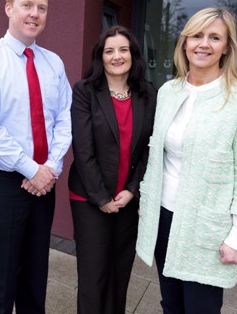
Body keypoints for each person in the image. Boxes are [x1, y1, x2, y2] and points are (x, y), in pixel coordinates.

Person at [136, 7, 237, 314]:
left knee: (201, 308)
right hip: (165, 217)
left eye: (214, 37)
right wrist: (146, 198)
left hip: (207, 225)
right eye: (196, 35)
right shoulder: (169, 91)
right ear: (184, 43)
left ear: (226, 47)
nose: (203, 44)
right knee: (171, 304)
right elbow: (157, 155)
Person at [0, 0, 72, 314]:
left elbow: (63, 120)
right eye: (27, 5)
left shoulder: (54, 64)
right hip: (5, 184)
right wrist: (31, 169)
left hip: (44, 183)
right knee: (2, 277)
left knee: (35, 275)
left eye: (42, 8)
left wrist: (51, 168)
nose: (34, 13)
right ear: (9, 8)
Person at [68, 25, 157, 314]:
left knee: (120, 275)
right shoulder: (85, 91)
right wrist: (102, 198)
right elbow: (83, 150)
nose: (116, 56)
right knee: (94, 277)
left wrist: (132, 190)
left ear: (133, 55)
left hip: (127, 200)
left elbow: (148, 149)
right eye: (109, 51)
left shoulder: (147, 94)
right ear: (100, 57)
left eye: (123, 49)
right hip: (90, 199)